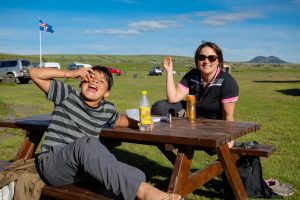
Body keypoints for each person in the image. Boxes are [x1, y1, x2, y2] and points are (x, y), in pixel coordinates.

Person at [29, 66, 181, 200]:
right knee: (87, 143)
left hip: (83, 170)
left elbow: (119, 120)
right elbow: (34, 73)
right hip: (54, 164)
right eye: (90, 77)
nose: (94, 82)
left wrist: (139, 123)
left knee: (137, 175)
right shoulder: (67, 94)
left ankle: (147, 192)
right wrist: (70, 73)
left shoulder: (106, 109)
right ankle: (147, 193)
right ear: (82, 81)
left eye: (101, 81)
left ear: (106, 93)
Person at [151, 41, 239, 147]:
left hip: (212, 124)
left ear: (218, 61)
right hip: (192, 118)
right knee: (160, 107)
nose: (206, 61)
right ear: (197, 60)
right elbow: (173, 98)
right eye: (202, 57)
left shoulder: (227, 81)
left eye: (211, 58)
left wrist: (229, 140)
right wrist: (169, 72)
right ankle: (172, 134)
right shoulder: (193, 75)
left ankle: (178, 133)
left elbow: (228, 116)